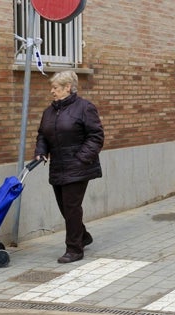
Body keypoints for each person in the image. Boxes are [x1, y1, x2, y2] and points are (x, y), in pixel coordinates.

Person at [34, 71, 105, 263]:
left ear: (68, 87)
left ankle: (74, 249)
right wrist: (41, 151)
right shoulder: (49, 111)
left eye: (55, 88)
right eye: (52, 88)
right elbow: (42, 134)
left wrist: (81, 159)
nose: (52, 92)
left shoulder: (84, 108)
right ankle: (83, 236)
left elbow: (96, 136)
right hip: (57, 166)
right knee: (64, 208)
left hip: (78, 167)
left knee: (72, 207)